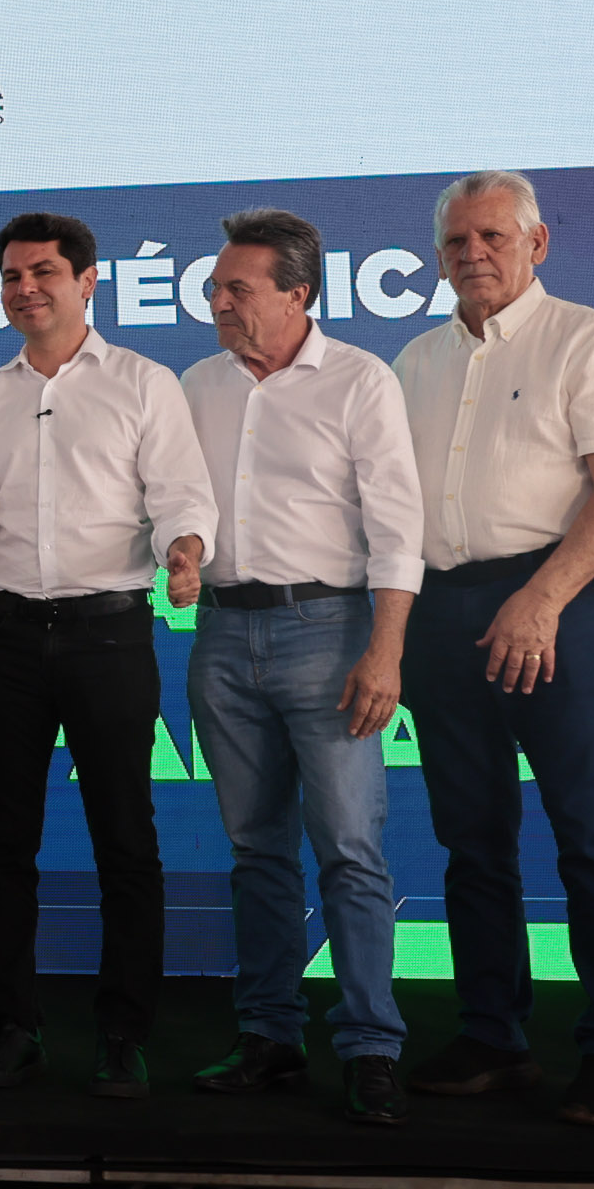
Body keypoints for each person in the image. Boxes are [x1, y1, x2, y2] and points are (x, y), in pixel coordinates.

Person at [392, 169, 594, 1127]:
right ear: (438, 257)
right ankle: (492, 1038)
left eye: (493, 237)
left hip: (556, 605)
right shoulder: (414, 360)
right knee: (471, 842)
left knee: (593, 839)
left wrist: (541, 599)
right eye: (457, 241)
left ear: (537, 243)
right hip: (440, 615)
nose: (474, 254)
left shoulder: (587, 338)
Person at [0, 212, 213, 1096]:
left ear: (88, 281)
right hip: (6, 638)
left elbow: (181, 494)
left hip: (110, 634)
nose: (25, 289)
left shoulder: (143, 383)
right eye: (12, 276)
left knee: (125, 838)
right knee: (2, 843)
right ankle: (11, 1028)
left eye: (44, 273)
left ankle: (123, 1034)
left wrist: (185, 551)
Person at [177, 211, 422, 1126]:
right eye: (215, 289)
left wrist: (385, 651)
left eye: (237, 290)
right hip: (221, 633)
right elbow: (172, 499)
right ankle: (269, 1037)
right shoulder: (196, 385)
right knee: (255, 852)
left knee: (350, 848)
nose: (219, 303)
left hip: (331, 631)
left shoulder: (360, 380)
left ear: (297, 295)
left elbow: (398, 527)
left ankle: (371, 1046)